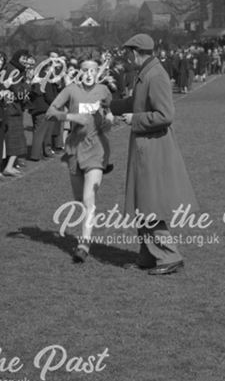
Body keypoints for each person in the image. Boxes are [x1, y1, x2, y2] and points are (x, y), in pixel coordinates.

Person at [111, 34, 198, 276]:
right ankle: (148, 255)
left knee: (149, 204)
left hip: (152, 147)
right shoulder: (148, 72)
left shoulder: (155, 75)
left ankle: (169, 255)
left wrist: (135, 119)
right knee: (143, 203)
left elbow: (165, 115)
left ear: (137, 52)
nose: (128, 58)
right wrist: (108, 105)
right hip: (145, 146)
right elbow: (136, 102)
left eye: (130, 53)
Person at [46, 56, 114, 262]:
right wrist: (72, 117)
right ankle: (85, 231)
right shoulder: (71, 90)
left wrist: (110, 118)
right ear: (79, 72)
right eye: (85, 70)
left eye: (93, 70)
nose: (88, 74)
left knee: (88, 199)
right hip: (74, 150)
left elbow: (110, 110)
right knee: (79, 201)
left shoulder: (103, 90)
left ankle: (84, 244)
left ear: (98, 73)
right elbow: (50, 112)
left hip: (97, 149)